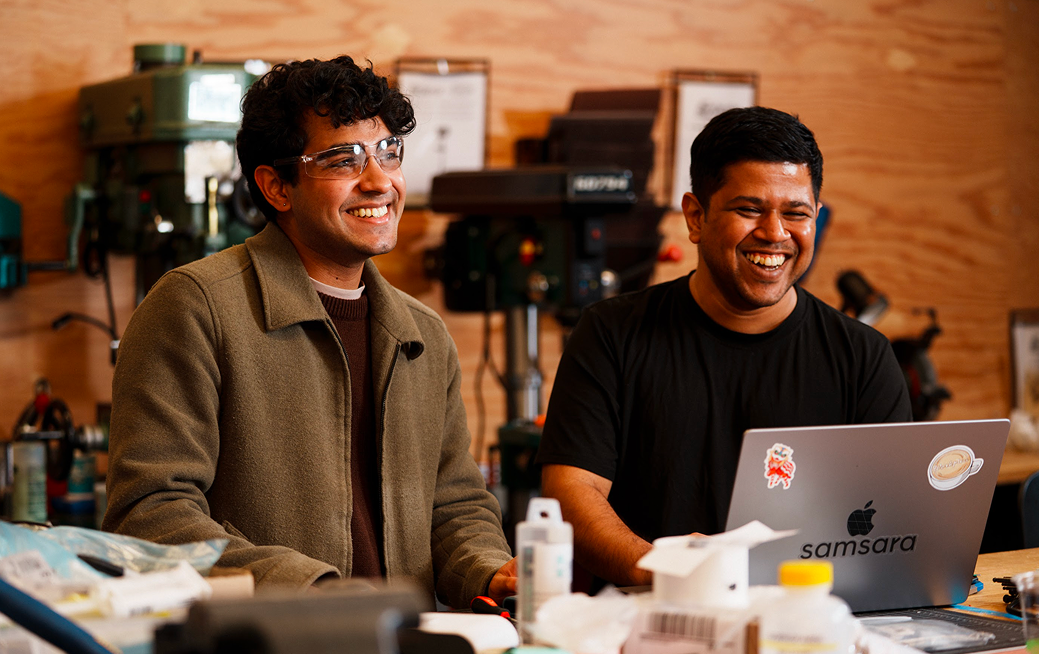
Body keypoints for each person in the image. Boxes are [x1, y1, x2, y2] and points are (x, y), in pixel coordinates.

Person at [102, 56, 516, 608]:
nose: (378, 181)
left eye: (388, 152)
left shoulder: (422, 335)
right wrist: (309, 592)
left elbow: (455, 505)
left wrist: (490, 573)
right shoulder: (196, 306)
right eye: (343, 159)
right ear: (276, 187)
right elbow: (150, 514)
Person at [536, 106, 912, 587]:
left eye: (796, 213)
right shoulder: (610, 334)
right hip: (653, 621)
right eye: (749, 209)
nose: (775, 234)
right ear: (696, 216)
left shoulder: (863, 356)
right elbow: (572, 491)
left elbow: (891, 516)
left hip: (805, 622)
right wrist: (675, 576)